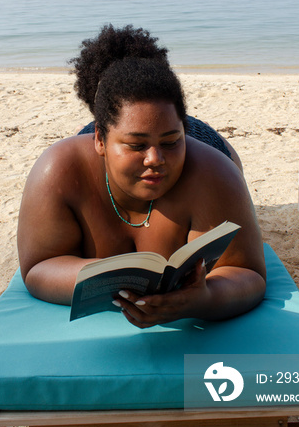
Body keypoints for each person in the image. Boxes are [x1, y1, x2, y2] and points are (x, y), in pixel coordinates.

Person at [17, 25, 266, 328]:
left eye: (170, 142)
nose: (155, 160)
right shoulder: (61, 170)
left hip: (201, 142)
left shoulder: (214, 172)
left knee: (217, 159)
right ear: (99, 140)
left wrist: (206, 299)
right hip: (117, 137)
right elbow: (38, 267)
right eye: (137, 146)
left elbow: (246, 271)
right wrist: (111, 281)